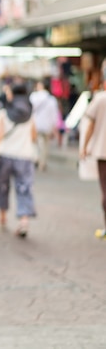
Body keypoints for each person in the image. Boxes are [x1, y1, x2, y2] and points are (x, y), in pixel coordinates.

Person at [0, 83, 37, 238]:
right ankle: (24, 221)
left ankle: (2, 217)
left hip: (5, 154)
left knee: (2, 187)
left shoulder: (4, 113)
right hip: (24, 155)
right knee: (24, 188)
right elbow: (34, 136)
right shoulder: (30, 114)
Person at [80, 66, 106, 239]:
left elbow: (90, 125)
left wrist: (84, 147)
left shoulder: (100, 98)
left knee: (105, 190)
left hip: (103, 151)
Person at [29, 80, 59, 171]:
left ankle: (36, 158)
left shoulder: (33, 97)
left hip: (36, 123)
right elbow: (54, 114)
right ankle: (43, 162)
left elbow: (30, 111)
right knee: (45, 145)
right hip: (47, 125)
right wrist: (54, 127)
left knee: (35, 143)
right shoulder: (51, 99)